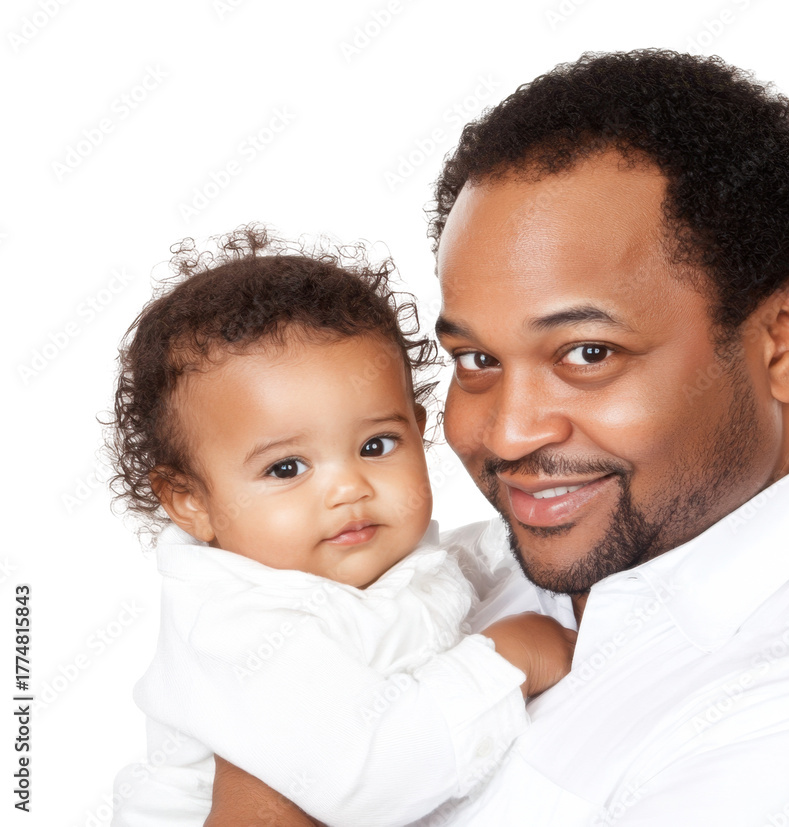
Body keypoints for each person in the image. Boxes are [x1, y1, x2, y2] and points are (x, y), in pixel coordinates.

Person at [211, 50, 789, 825]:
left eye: (588, 354)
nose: (509, 433)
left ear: (783, 338)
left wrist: (272, 750)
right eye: (477, 360)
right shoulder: (464, 571)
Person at [107, 227, 575, 827]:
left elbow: (446, 574)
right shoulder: (238, 628)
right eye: (286, 468)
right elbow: (373, 782)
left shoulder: (370, 564)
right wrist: (506, 661)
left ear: (419, 430)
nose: (349, 487)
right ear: (189, 500)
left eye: (376, 445)